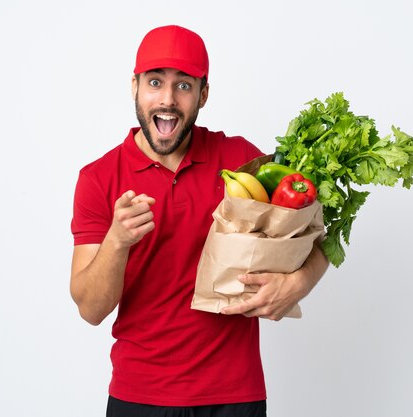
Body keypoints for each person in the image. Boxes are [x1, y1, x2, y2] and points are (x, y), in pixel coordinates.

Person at [70, 24, 329, 417]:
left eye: (184, 86)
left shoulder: (244, 162)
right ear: (135, 86)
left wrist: (300, 281)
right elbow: (90, 309)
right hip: (139, 396)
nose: (168, 100)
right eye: (155, 82)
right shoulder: (98, 178)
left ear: (203, 94)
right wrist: (117, 240)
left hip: (234, 396)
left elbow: (319, 232)